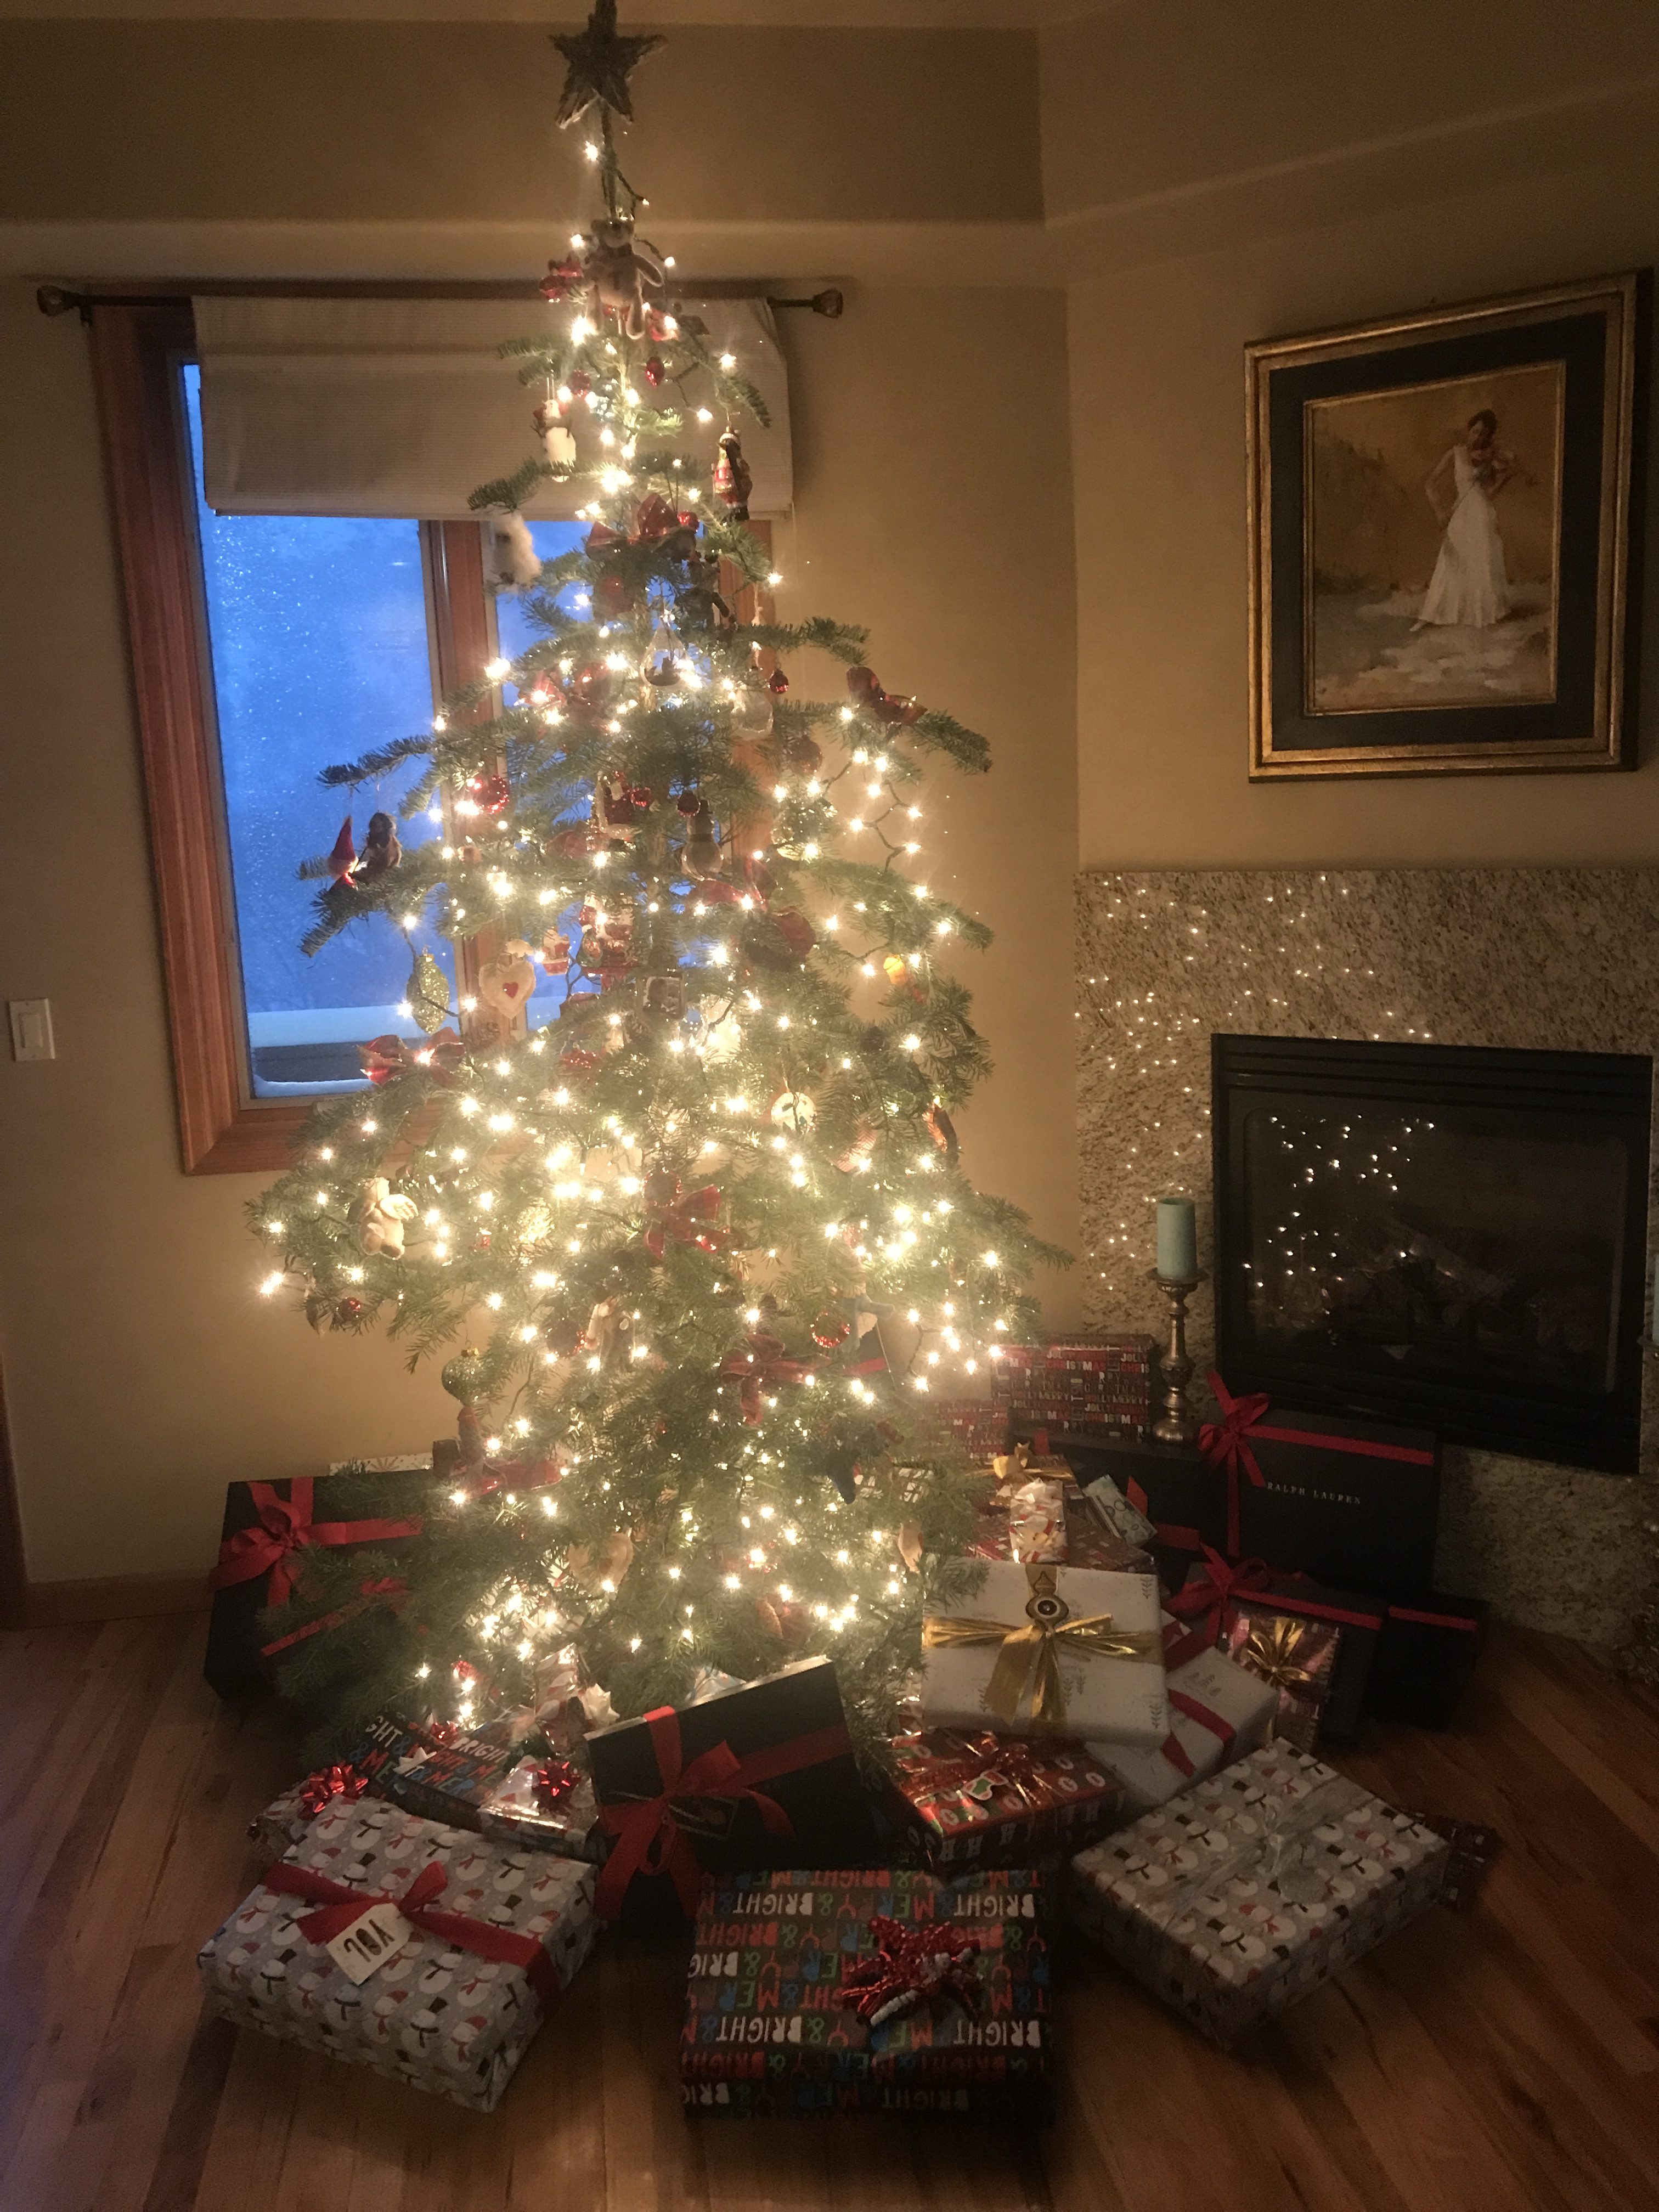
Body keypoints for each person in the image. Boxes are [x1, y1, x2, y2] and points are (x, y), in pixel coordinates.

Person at [1417, 409, 1531, 629]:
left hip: (1482, 512)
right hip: (1461, 513)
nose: (1477, 438)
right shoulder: (1455, 453)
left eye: (1483, 434)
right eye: (1475, 432)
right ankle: (1443, 611)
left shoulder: (1490, 457)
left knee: (1482, 559)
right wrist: (1439, 511)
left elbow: (1487, 494)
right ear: (1469, 431)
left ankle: (1482, 613)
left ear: (1489, 436)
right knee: (1454, 560)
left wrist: (1505, 478)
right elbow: (1430, 483)